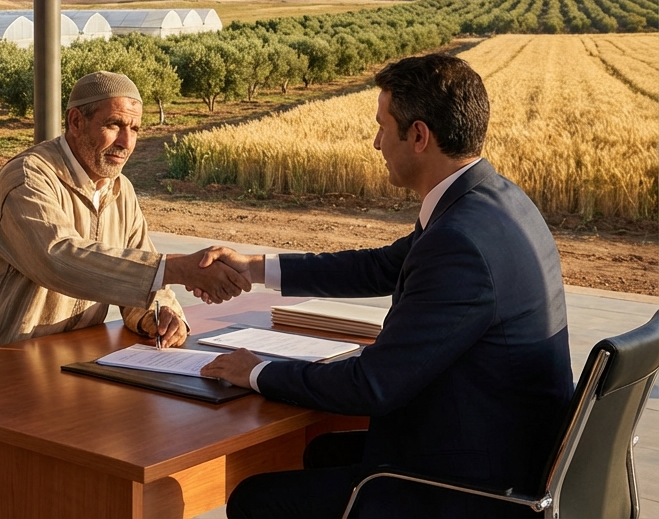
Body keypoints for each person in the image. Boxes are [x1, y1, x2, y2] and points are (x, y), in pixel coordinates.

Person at [198, 53, 573, 519]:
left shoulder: (460, 241)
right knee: (323, 452)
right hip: (502, 444)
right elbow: (381, 266)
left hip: (476, 488)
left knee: (256, 499)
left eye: (381, 126)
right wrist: (254, 267)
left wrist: (255, 371)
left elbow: (372, 386)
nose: (375, 143)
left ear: (418, 136)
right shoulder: (494, 199)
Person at [0, 71, 252, 354]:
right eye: (114, 125)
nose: (126, 142)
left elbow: (140, 268)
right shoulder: (28, 178)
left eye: (134, 128)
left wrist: (161, 315)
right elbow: (60, 260)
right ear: (76, 122)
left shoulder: (120, 189)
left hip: (68, 357)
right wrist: (178, 269)